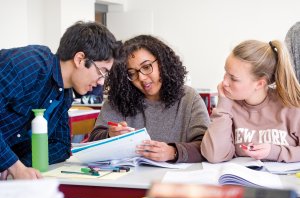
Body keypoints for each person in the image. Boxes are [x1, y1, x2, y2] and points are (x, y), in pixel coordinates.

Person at [0, 21, 121, 180]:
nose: (100, 82)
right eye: (102, 71)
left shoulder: (63, 95)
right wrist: (14, 166)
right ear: (79, 59)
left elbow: (61, 147)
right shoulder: (31, 64)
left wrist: (18, 166)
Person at [88, 35, 210, 163]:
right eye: (132, 73)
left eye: (146, 67)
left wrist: (172, 152)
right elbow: (94, 140)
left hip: (174, 179)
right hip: (128, 180)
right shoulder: (119, 98)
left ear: (163, 63)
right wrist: (110, 135)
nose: (141, 78)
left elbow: (207, 147)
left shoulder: (189, 98)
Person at [201, 40, 300, 163]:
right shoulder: (227, 107)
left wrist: (273, 151)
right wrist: (223, 108)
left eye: (234, 78)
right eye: (226, 72)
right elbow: (214, 156)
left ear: (259, 83)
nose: (224, 82)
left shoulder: (292, 106)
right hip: (238, 180)